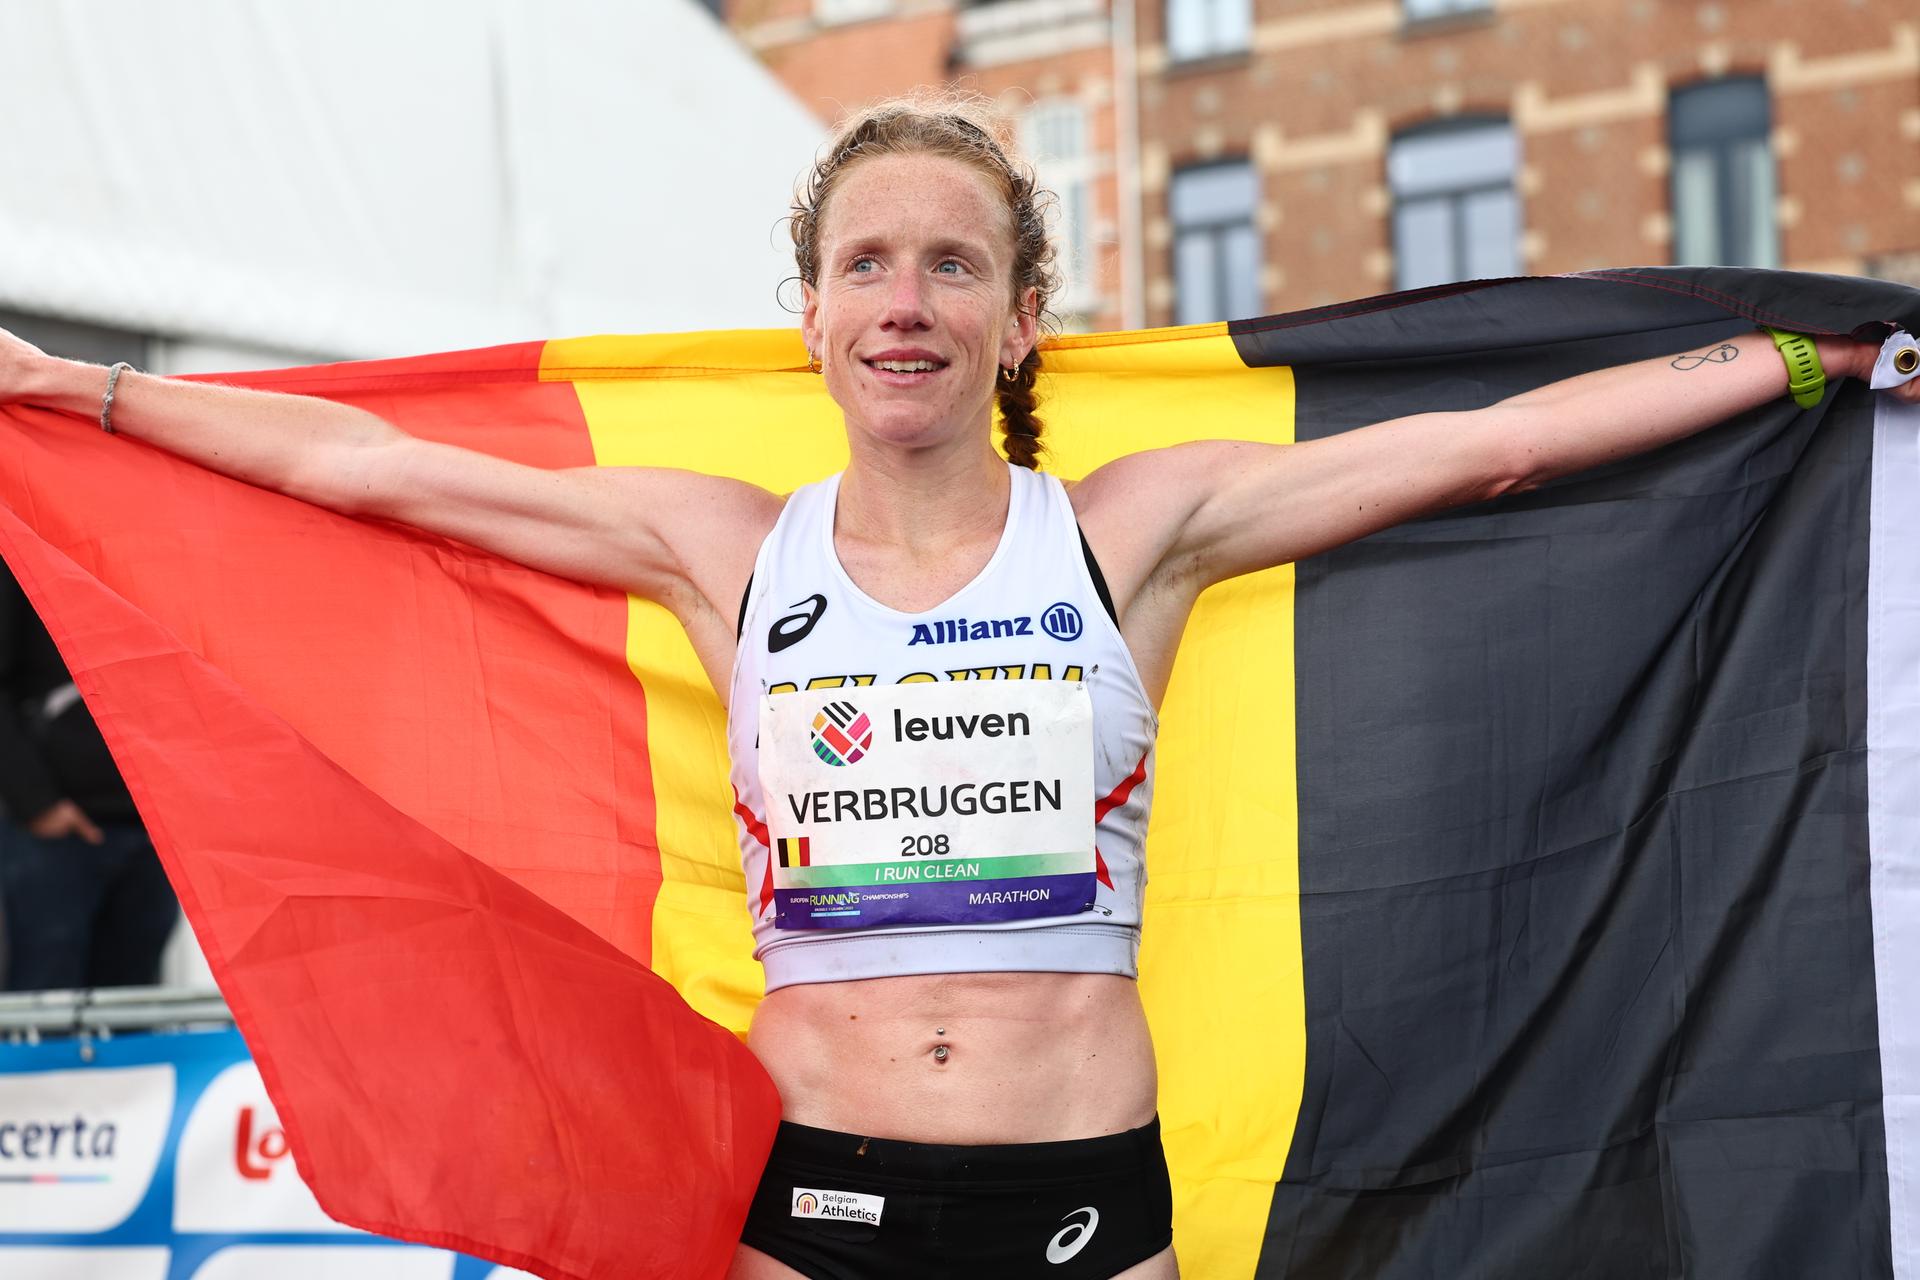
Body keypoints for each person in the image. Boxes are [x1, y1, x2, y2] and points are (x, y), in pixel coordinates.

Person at [0, 94, 1913, 1279]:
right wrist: (73, 393)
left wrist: (1805, 366)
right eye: (865, 265)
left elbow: (1488, 447)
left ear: (1015, 316)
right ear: (814, 313)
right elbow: (382, 476)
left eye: (950, 264)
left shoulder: (1134, 531)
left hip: (1088, 1198)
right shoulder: (723, 544)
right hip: (817, 1193)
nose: (903, 299)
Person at [0, 562, 179, 992]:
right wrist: (37, 803)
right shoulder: (20, 547)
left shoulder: (161, 550)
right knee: (46, 1007)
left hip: (155, 828)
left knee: (134, 1007)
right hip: (55, 832)